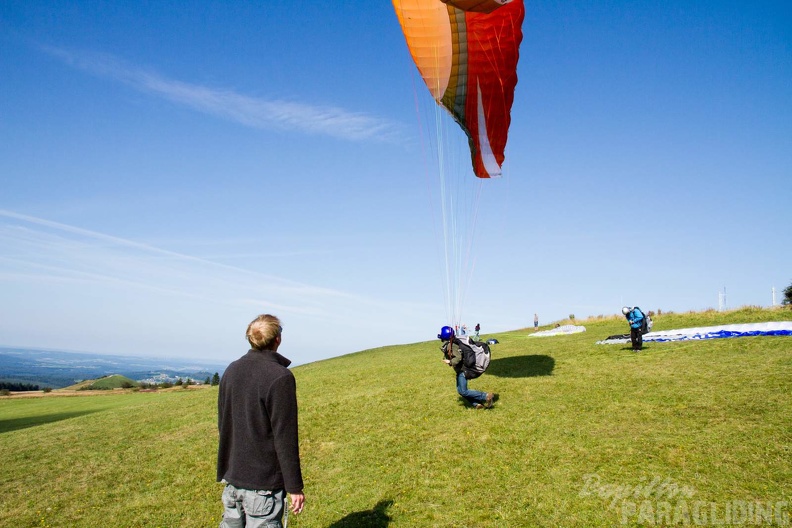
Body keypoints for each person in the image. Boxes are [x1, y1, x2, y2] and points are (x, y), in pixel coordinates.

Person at [217, 314, 305, 527]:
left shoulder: (231, 370)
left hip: (233, 478)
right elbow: (285, 436)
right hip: (263, 484)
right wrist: (294, 487)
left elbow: (223, 422)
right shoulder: (280, 377)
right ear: (278, 339)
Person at [438, 326, 497, 409]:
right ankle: (476, 404)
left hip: (463, 370)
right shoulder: (451, 344)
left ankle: (486, 396)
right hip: (461, 370)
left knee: (463, 391)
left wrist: (450, 362)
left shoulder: (451, 345)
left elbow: (458, 357)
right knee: (460, 391)